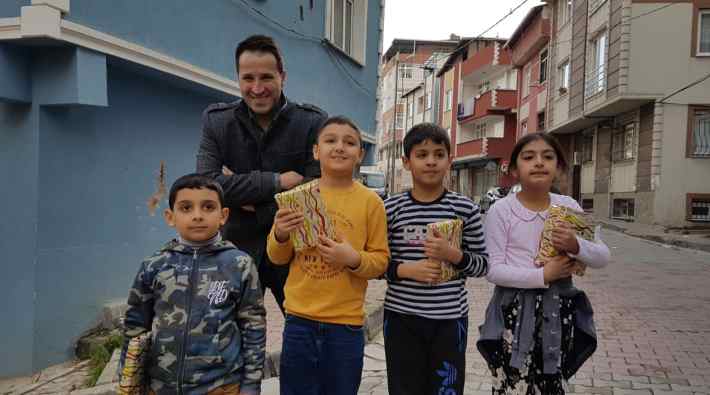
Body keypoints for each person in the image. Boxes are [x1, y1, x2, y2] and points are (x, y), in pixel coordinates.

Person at [196, 34, 327, 313]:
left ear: (283, 76)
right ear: (238, 78)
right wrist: (278, 181)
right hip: (234, 250)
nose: (257, 88)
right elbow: (207, 188)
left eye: (266, 77)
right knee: (227, 333)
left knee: (303, 332)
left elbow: (317, 190)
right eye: (248, 78)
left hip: (294, 249)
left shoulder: (312, 122)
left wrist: (242, 197)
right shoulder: (217, 122)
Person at [477, 133, 611, 394]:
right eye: (529, 157)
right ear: (514, 169)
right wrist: (543, 275)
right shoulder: (501, 211)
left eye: (547, 157)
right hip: (513, 312)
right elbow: (493, 270)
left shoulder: (568, 207)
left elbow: (602, 256)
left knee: (552, 379)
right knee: (512, 381)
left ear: (558, 167)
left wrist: (576, 245)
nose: (539, 162)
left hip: (558, 311)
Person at [266, 116, 389, 395]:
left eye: (349, 142)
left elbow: (381, 261)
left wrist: (352, 259)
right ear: (315, 150)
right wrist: (281, 234)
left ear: (360, 154)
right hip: (299, 320)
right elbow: (277, 257)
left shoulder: (371, 203)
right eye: (330, 140)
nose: (339, 147)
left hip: (345, 325)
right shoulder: (297, 197)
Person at [119, 174, 266, 395]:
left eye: (208, 207)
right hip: (161, 387)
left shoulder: (239, 264)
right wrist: (128, 380)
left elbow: (253, 326)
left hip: (222, 386)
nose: (197, 216)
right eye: (186, 208)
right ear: (170, 216)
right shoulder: (154, 266)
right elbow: (134, 327)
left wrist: (251, 385)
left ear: (223, 215)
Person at [382, 123, 489, 395]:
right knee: (404, 388)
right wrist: (407, 270)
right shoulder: (390, 209)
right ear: (407, 162)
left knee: (447, 388)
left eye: (439, 154)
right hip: (401, 318)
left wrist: (454, 255)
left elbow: (483, 264)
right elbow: (374, 264)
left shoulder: (465, 209)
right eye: (422, 154)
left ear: (449, 161)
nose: (431, 161)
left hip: (449, 320)